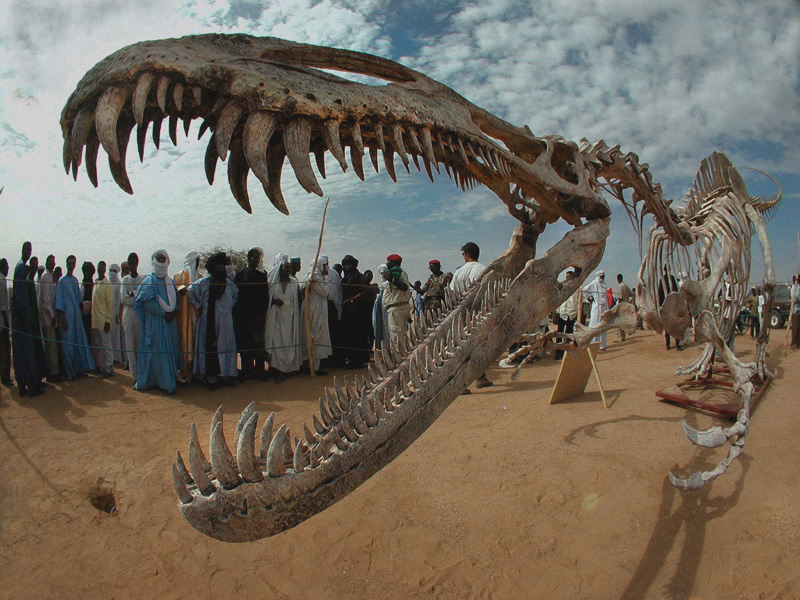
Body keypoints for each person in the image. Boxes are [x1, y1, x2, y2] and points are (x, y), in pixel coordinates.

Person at [134, 250, 181, 393]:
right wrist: (163, 313)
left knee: (169, 351)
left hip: (169, 324)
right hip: (155, 324)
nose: (161, 261)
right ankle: (150, 382)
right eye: (159, 258)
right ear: (153, 260)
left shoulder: (170, 282)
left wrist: (174, 311)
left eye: (163, 258)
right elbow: (148, 303)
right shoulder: (148, 281)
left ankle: (167, 382)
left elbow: (176, 301)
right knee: (154, 354)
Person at [190, 252, 239, 390]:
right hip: (208, 321)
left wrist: (228, 307)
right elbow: (190, 292)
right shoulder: (203, 283)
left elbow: (236, 295)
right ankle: (211, 377)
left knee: (226, 346)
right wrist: (198, 306)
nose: (220, 269)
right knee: (210, 348)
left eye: (222, 266)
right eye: (217, 267)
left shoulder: (229, 284)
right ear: (212, 268)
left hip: (226, 321)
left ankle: (227, 375)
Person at [449, 243, 492, 388]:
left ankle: (462, 383)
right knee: (479, 346)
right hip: (480, 313)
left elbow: (453, 293)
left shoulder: (459, 272)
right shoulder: (484, 270)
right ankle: (480, 377)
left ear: (467, 254)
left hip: (462, 313)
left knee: (462, 347)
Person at [11, 243, 46, 396]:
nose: (28, 252)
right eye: (26, 250)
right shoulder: (20, 268)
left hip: (27, 320)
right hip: (22, 321)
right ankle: (28, 386)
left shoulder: (25, 273)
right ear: (22, 251)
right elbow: (20, 298)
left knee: (27, 353)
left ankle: (30, 383)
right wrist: (24, 318)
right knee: (25, 354)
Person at [55, 254, 96, 380]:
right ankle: (69, 372)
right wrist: (63, 319)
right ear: (66, 264)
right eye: (69, 263)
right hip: (67, 316)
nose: (71, 266)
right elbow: (60, 302)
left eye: (73, 263)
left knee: (79, 342)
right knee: (68, 345)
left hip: (76, 317)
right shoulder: (62, 281)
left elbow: (79, 300)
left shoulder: (74, 280)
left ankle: (79, 369)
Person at [265, 254, 301, 382]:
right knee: (277, 343)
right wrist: (274, 301)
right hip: (276, 317)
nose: (288, 270)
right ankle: (276, 370)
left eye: (289, 268)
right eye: (285, 267)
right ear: (280, 268)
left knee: (288, 343)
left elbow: (296, 300)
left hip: (289, 318)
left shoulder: (294, 283)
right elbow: (267, 299)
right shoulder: (273, 283)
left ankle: (286, 369)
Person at [234, 248, 269, 381]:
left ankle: (260, 371)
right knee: (245, 345)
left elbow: (265, 297)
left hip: (257, 317)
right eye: (254, 257)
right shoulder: (240, 275)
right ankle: (247, 371)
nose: (256, 260)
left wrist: (262, 315)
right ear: (249, 258)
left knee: (258, 344)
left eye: (258, 258)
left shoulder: (261, 276)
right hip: (243, 316)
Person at [338, 255, 372, 368]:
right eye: (345, 265)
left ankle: (357, 361)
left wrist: (350, 301)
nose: (347, 267)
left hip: (357, 312)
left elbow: (363, 293)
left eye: (349, 265)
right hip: (347, 311)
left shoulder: (359, 277)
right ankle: (349, 359)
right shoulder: (345, 278)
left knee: (357, 335)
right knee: (347, 335)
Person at [300, 256, 332, 375]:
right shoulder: (316, 277)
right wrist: (327, 279)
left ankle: (311, 365)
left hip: (315, 308)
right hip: (315, 309)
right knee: (315, 335)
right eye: (325, 265)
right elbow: (324, 292)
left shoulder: (311, 275)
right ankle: (314, 367)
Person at [173, 250, 200, 383]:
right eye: (197, 260)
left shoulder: (201, 276)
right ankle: (184, 371)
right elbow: (173, 292)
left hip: (197, 314)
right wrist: (180, 290)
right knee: (184, 342)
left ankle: (195, 371)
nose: (198, 263)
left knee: (196, 341)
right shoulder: (178, 276)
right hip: (183, 315)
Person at [121, 252, 145, 380]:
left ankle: (141, 372)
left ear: (137, 263)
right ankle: (134, 374)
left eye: (134, 263)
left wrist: (133, 293)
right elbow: (124, 299)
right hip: (128, 313)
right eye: (130, 263)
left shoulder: (143, 279)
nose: (132, 266)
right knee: (129, 344)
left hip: (139, 313)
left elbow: (142, 297)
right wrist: (135, 296)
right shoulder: (125, 280)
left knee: (139, 343)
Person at [382, 253, 412, 350]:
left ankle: (399, 360)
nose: (387, 264)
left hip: (397, 309)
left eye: (388, 262)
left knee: (397, 337)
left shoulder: (399, 273)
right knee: (398, 335)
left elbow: (404, 287)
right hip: (397, 309)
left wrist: (391, 279)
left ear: (394, 262)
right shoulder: (395, 272)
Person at [38, 254, 61, 381]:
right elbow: (46, 300)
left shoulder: (49, 276)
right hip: (48, 319)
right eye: (50, 262)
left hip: (47, 318)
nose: (52, 264)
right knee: (52, 347)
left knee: (49, 346)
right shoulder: (46, 276)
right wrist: (52, 316)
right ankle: (54, 374)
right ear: (47, 263)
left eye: (54, 262)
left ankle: (51, 372)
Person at [91, 261, 115, 377]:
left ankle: (109, 369)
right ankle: (102, 367)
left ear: (105, 269)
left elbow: (110, 304)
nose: (100, 269)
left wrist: (108, 321)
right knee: (99, 346)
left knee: (107, 346)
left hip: (103, 321)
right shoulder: (96, 283)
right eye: (99, 267)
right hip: (95, 321)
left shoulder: (107, 285)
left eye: (102, 268)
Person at [555, 270, 580, 360]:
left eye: (569, 277)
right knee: (559, 334)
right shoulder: (562, 287)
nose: (568, 279)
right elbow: (558, 300)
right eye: (567, 277)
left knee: (569, 334)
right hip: (563, 313)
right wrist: (557, 311)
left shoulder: (577, 288)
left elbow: (580, 299)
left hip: (572, 313)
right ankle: (558, 352)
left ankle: (567, 353)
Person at [584, 270, 610, 350]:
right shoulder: (593, 283)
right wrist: (588, 299)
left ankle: (602, 345)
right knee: (594, 325)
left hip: (604, 307)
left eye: (604, 276)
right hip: (596, 307)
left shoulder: (604, 285)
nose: (603, 277)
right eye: (602, 276)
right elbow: (584, 291)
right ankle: (592, 344)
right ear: (598, 276)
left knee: (603, 326)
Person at [657, 267, 682, 351]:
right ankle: (676, 344)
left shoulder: (663, 279)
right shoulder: (672, 279)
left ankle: (668, 344)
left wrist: (661, 306)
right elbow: (677, 292)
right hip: (672, 305)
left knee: (668, 325)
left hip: (667, 305)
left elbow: (660, 293)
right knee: (674, 324)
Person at [107, 263, 123, 366]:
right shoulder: (108, 284)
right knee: (109, 336)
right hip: (108, 314)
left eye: (114, 271)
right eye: (111, 270)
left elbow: (119, 300)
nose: (112, 273)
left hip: (115, 313)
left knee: (116, 336)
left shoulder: (119, 284)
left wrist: (118, 315)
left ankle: (117, 357)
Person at [373, 264, 391, 352]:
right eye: (381, 273)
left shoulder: (391, 284)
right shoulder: (382, 289)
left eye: (384, 273)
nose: (383, 275)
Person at [0, 258, 11, 386]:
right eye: (7, 266)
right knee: (5, 351)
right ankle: (5, 378)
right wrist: (7, 324)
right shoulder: (2, 280)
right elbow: (3, 306)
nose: (8, 268)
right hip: (2, 322)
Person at [615, 273, 633, 342]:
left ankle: (620, 337)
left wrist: (617, 307)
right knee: (624, 321)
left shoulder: (620, 286)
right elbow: (631, 294)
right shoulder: (626, 286)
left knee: (620, 322)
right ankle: (624, 336)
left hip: (622, 305)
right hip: (626, 305)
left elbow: (620, 298)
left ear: (618, 279)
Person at [790, 275, 800, 349]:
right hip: (796, 310)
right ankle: (793, 343)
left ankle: (798, 343)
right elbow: (795, 298)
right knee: (795, 328)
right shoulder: (794, 287)